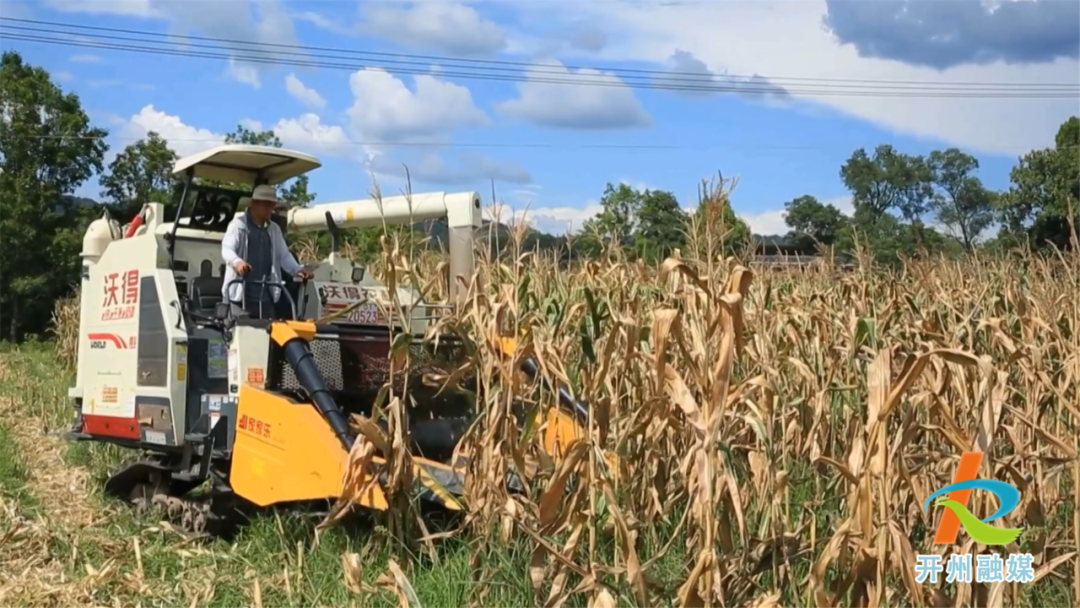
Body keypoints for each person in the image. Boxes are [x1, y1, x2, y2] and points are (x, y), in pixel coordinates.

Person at [221, 184, 312, 319]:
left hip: (266, 297)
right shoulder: (238, 225)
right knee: (239, 336)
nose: (269, 209)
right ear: (254, 204)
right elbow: (227, 248)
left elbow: (284, 255)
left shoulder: (274, 229)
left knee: (267, 336)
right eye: (266, 205)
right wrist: (237, 262)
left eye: (271, 205)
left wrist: (297, 269)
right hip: (239, 297)